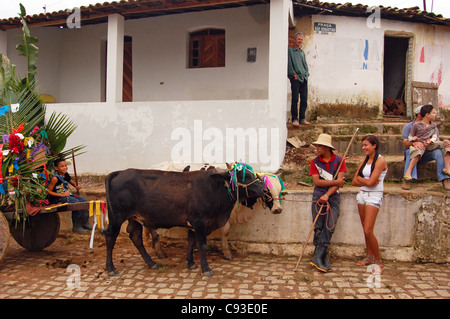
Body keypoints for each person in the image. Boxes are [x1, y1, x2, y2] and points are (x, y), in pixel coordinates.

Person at [309, 134, 346, 272]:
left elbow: (339, 183)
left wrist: (327, 194)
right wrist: (335, 182)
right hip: (318, 197)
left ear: (326, 148)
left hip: (332, 197)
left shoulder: (340, 160)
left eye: (319, 146)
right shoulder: (314, 162)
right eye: (317, 146)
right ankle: (322, 257)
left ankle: (318, 256)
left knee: (330, 226)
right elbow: (317, 182)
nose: (317, 148)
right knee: (318, 227)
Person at [352, 135, 387, 273]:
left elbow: (372, 183)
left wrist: (363, 180)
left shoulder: (380, 160)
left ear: (374, 145)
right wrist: (365, 181)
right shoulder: (365, 160)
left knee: (368, 229)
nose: (363, 148)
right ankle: (369, 256)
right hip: (362, 195)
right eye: (362, 145)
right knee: (365, 229)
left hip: (374, 196)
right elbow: (354, 181)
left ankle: (379, 262)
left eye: (366, 145)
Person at [403, 104, 450, 185]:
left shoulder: (433, 125)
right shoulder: (410, 126)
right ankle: (407, 179)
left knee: (439, 151)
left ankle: (445, 177)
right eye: (433, 113)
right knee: (409, 152)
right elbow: (405, 143)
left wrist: (442, 142)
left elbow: (436, 138)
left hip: (428, 148)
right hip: (414, 149)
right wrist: (413, 143)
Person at [47, 158, 91, 234]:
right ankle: (76, 226)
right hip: (57, 198)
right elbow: (48, 191)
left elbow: (72, 183)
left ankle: (84, 223)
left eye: (65, 165)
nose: (65, 167)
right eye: (62, 166)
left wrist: (76, 186)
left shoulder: (65, 175)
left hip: (67, 195)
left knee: (84, 201)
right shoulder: (55, 178)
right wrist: (61, 194)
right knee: (76, 203)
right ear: (56, 168)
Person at [288, 32, 310, 126]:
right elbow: (289, 64)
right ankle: (294, 119)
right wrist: (293, 74)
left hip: (304, 78)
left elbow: (305, 64)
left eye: (301, 39)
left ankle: (302, 119)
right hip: (296, 78)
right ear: (294, 40)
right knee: (295, 99)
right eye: (299, 39)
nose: (300, 41)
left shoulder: (302, 52)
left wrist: (306, 73)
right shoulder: (290, 51)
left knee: (304, 99)